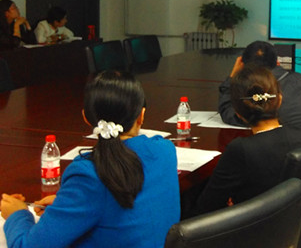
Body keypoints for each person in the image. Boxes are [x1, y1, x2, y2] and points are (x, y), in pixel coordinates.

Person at [1, 71, 180, 248]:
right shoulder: (165, 151)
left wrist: (17, 214)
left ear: (86, 118)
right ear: (141, 115)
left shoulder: (88, 174)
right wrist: (68, 202)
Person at [192, 65, 301, 216]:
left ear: (237, 112)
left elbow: (207, 207)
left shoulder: (241, 150)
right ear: (279, 100)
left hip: (253, 227)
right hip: (293, 223)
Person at [218, 41, 301, 142]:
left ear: (242, 65)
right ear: (277, 62)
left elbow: (230, 114)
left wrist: (232, 77)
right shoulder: (300, 78)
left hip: (296, 152)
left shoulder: (262, 91)